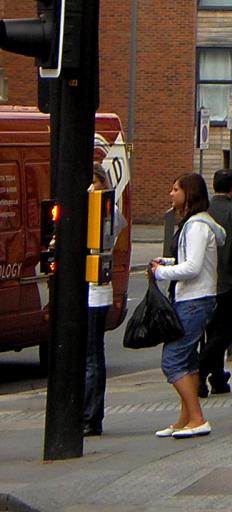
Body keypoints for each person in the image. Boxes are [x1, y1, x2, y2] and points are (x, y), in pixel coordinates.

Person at [150, 173, 224, 439]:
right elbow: (192, 261)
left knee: (172, 361)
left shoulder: (197, 227)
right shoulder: (195, 225)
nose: (171, 194)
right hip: (194, 299)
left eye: (175, 189)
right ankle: (185, 419)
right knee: (188, 361)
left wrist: (160, 273)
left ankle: (198, 418)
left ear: (188, 193)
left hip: (194, 300)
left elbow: (193, 268)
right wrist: (168, 263)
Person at [197, 169, 232, 397]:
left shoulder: (203, 212)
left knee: (211, 332)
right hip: (229, 281)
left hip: (204, 281)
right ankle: (200, 372)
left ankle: (218, 378)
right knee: (224, 332)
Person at [83, 165, 127, 437]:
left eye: (94, 182)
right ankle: (87, 412)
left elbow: (110, 233)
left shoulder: (107, 210)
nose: (90, 188)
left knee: (92, 356)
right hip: (86, 291)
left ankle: (91, 416)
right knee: (87, 355)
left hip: (96, 292)